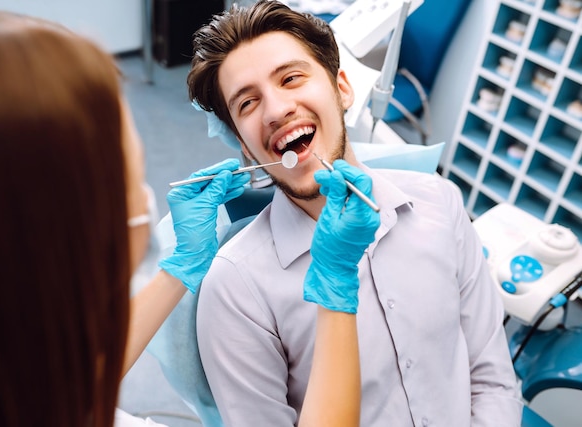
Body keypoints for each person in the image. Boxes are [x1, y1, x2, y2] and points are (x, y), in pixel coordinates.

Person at [0, 9, 378, 427]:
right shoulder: (237, 287)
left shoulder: (1, 382)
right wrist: (336, 294)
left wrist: (179, 270)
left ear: (342, 87)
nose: (145, 201)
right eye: (129, 180)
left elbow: (58, 389)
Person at [188, 1, 524, 426]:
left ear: (342, 88)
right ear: (243, 147)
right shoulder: (235, 291)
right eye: (248, 103)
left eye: (291, 78)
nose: (276, 111)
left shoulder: (442, 203)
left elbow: (492, 379)